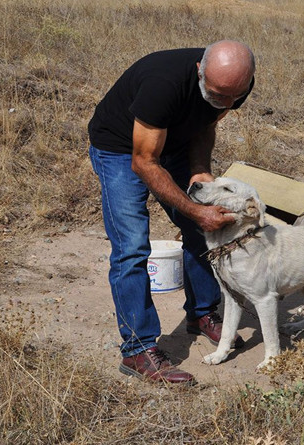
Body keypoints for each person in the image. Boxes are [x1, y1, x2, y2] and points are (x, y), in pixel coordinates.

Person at [88, 40, 255, 384]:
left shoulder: (234, 84)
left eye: (232, 98)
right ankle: (138, 349)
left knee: (201, 230)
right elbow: (144, 162)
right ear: (199, 71)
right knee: (132, 246)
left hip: (174, 144)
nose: (226, 103)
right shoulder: (162, 85)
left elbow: (206, 124)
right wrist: (194, 209)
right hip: (121, 150)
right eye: (217, 94)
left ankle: (202, 314)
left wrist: (199, 169)